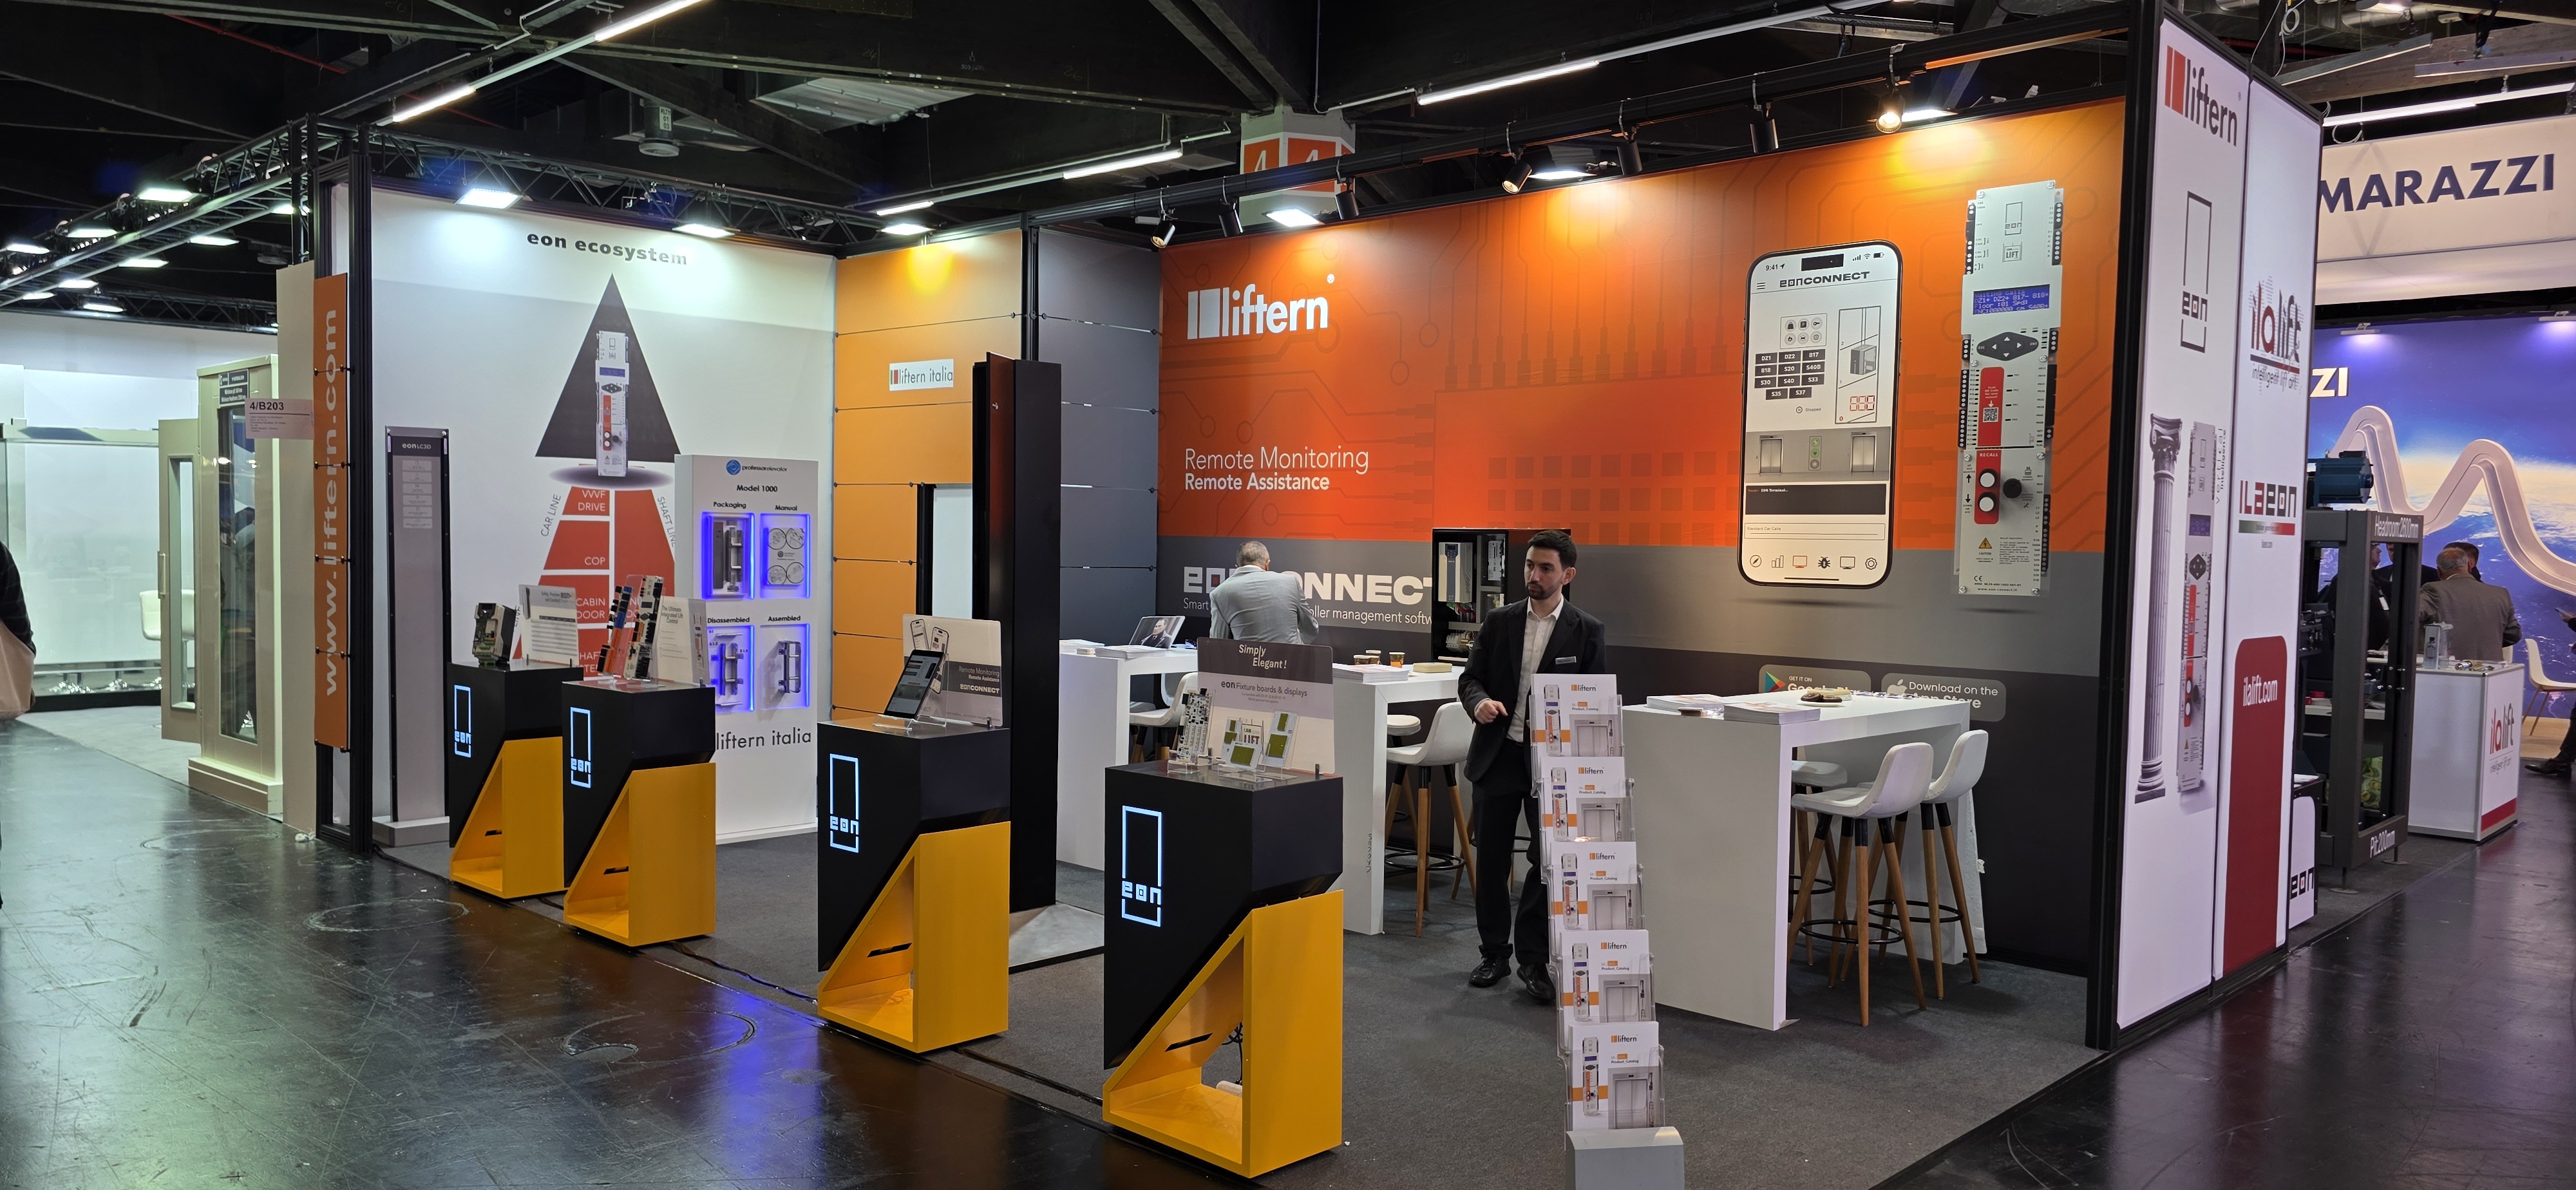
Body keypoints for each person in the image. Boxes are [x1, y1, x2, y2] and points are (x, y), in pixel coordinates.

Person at [1455, 529, 1608, 1003]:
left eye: (1545, 568)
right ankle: (1493, 953)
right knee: (1492, 859)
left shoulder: (1587, 630)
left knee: (1546, 865)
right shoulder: (1499, 620)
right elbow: (1470, 679)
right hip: (1498, 755)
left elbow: (1594, 702)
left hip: (1553, 767)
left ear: (1568, 574)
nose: (1534, 575)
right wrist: (1479, 703)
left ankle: (1533, 959)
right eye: (1529, 566)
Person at [1206, 540, 1322, 645]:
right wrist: (1296, 647)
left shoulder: (1219, 593)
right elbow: (1311, 629)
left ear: (1237, 567)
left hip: (1247, 661)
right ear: (1267, 564)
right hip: (1290, 660)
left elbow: (1218, 644)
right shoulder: (1291, 582)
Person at [2418, 544, 2519, 661]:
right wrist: (2486, 645)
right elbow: (2513, 634)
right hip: (2492, 669)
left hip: (2449, 668)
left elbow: (2409, 618)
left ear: (2439, 572)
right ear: (2469, 567)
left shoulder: (2434, 590)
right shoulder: (2501, 594)